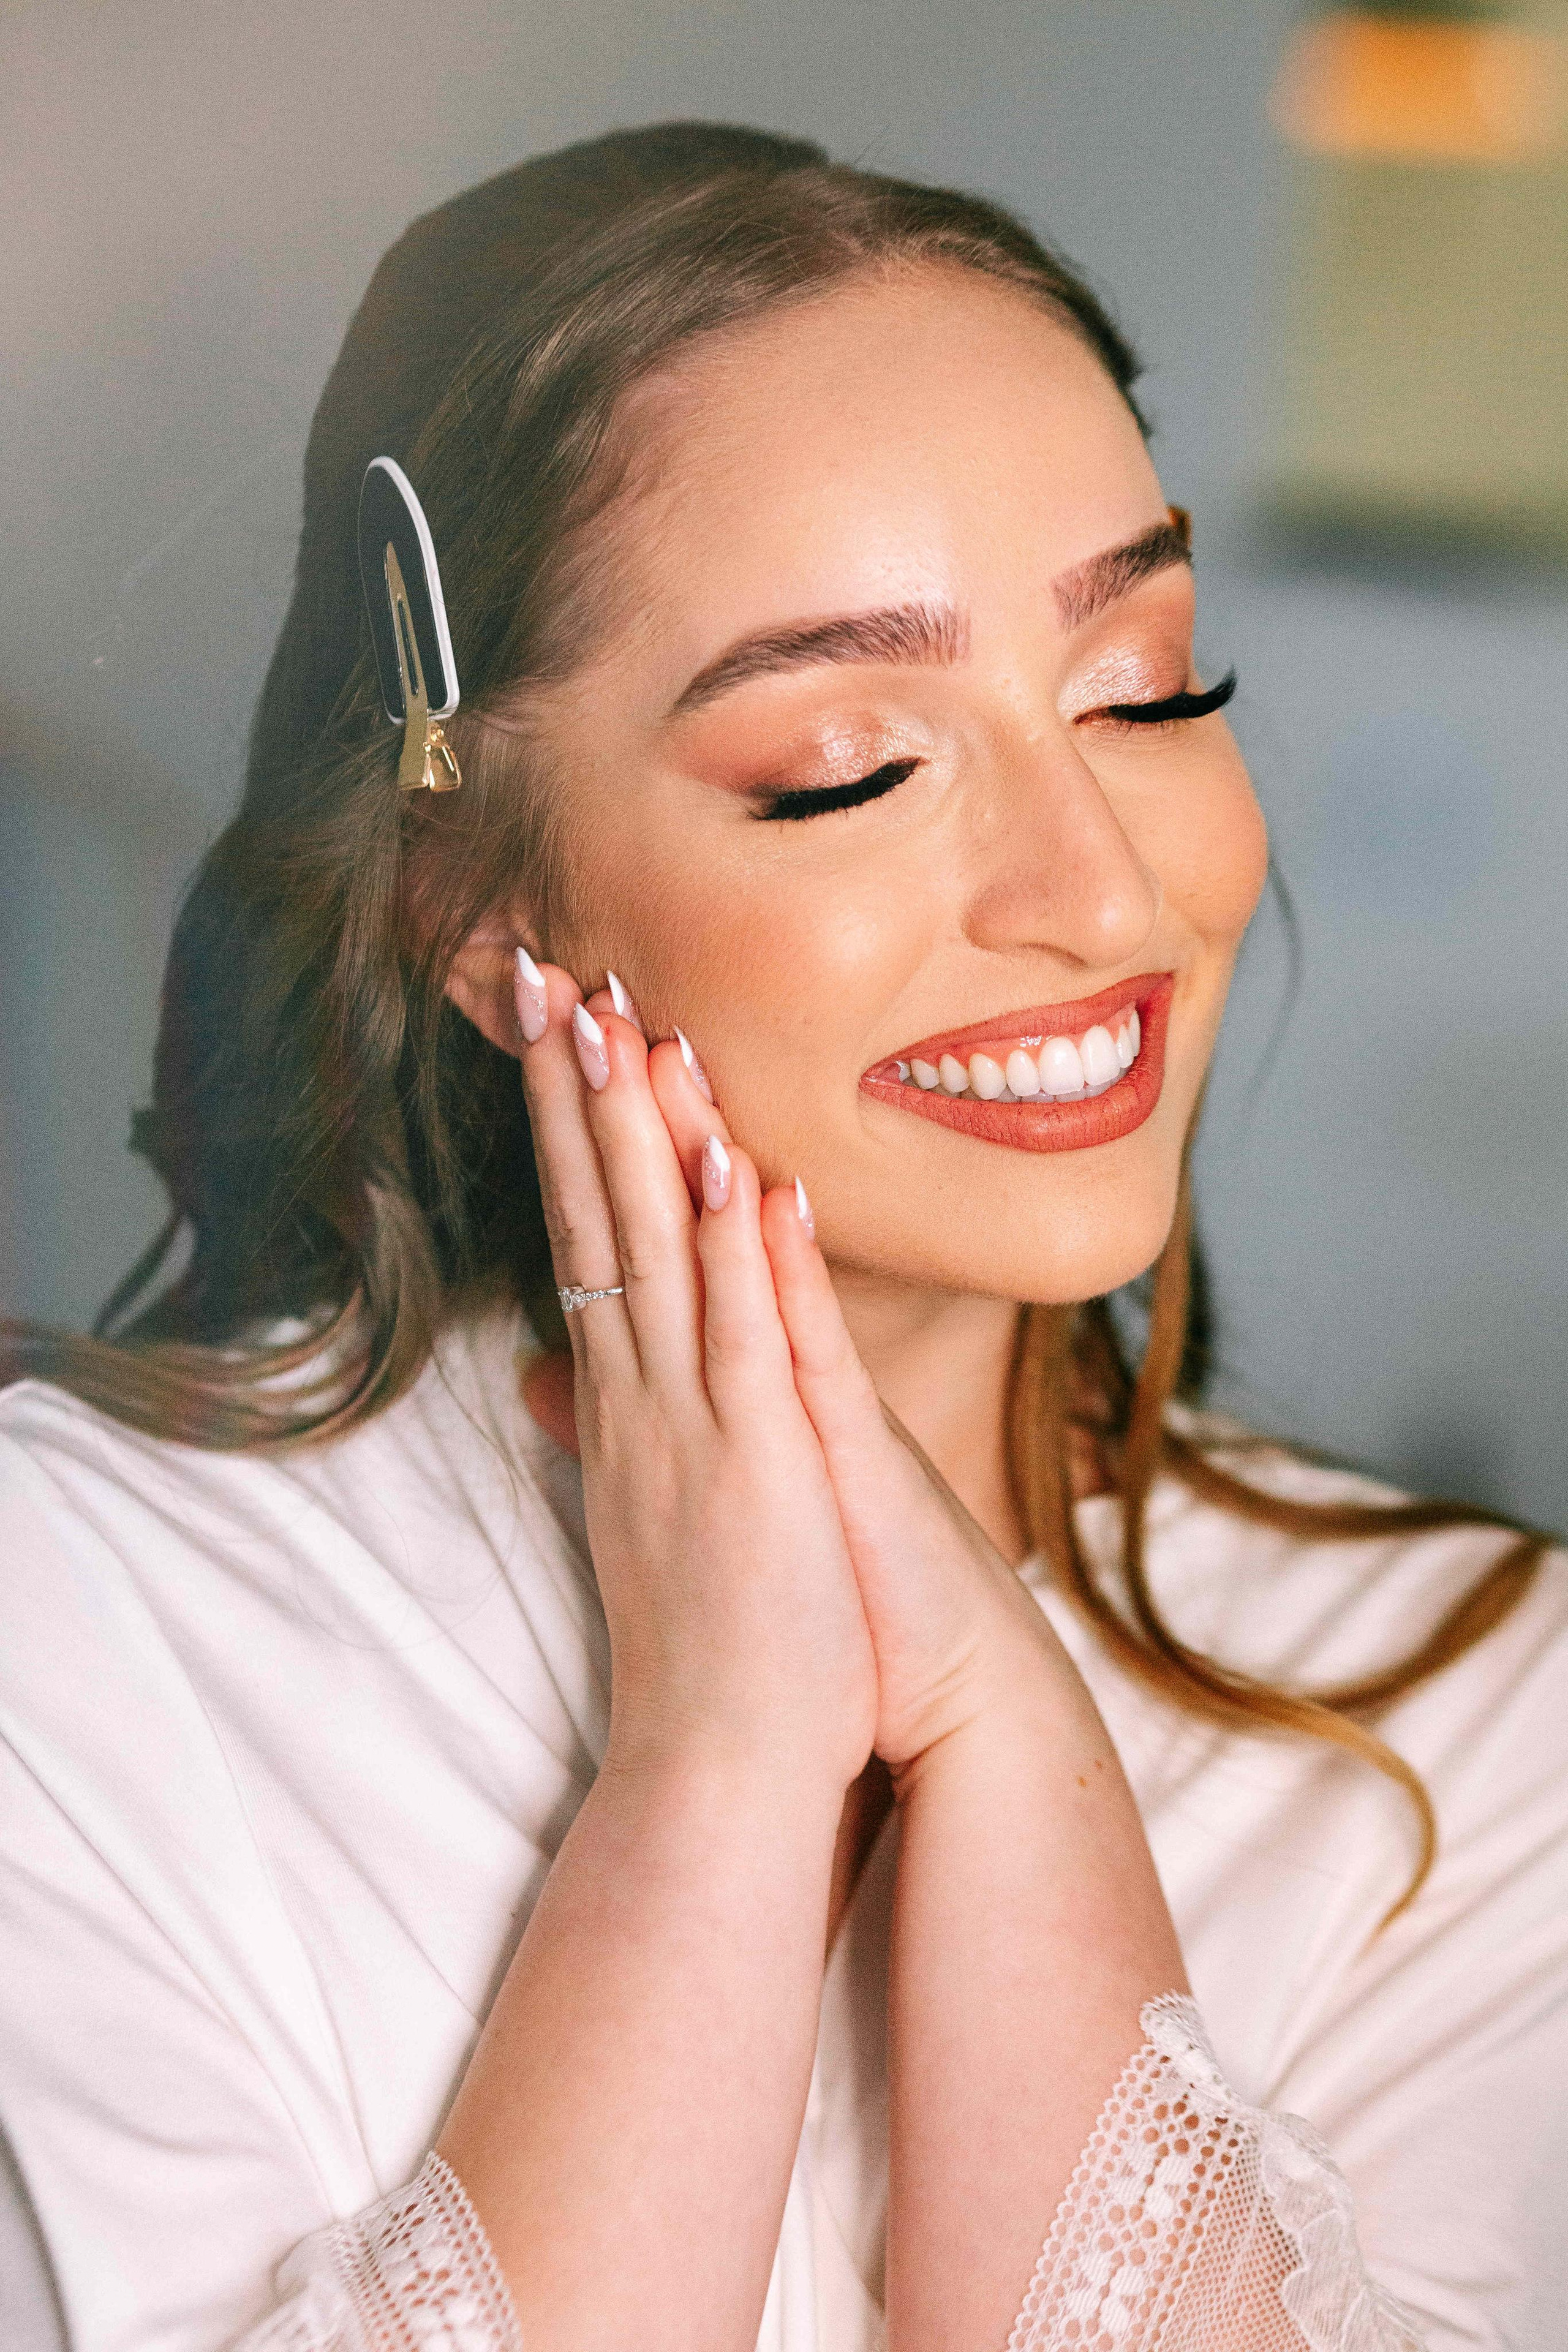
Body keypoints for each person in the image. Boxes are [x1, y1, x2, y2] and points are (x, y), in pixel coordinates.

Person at [1, 122, 1562, 2352]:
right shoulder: (74, 1640)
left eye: (1142, 688)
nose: (1104, 897)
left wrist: (1010, 1745)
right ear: (478, 909)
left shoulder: (1473, 1725)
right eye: (850, 766)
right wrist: (714, 1770)